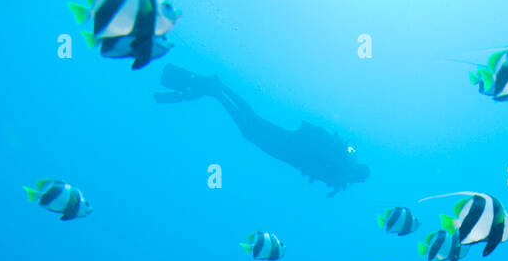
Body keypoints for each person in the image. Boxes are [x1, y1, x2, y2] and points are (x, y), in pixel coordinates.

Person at [155, 66, 370, 197]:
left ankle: (218, 90)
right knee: (252, 126)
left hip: (289, 146)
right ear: (357, 174)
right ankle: (218, 88)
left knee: (252, 125)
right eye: (358, 178)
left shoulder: (342, 170)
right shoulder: (342, 169)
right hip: (288, 146)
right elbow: (321, 163)